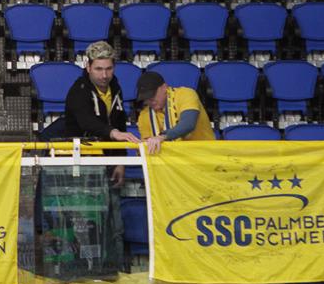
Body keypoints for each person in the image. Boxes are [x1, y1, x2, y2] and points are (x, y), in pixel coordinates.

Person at [62, 41, 140, 186]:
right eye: (98, 69)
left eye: (109, 69)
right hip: (81, 160)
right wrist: (113, 132)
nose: (104, 75)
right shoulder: (78, 90)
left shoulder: (115, 87)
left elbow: (120, 123)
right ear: (88, 67)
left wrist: (120, 161)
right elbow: (87, 122)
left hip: (108, 159)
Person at [135, 71, 216, 154]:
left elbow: (188, 124)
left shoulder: (186, 94)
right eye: (146, 98)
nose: (149, 100)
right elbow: (147, 144)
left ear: (164, 87)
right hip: (172, 159)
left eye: (152, 95)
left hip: (203, 155)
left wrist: (163, 136)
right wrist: (139, 146)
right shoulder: (144, 115)